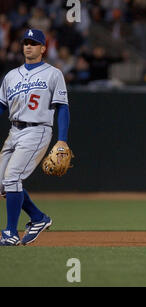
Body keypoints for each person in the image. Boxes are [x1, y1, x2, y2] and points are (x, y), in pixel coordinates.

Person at [0, 29, 71, 246]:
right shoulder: (10, 76)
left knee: (12, 178)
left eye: (33, 43)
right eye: (25, 43)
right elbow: (1, 106)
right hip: (14, 131)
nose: (28, 46)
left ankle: (10, 232)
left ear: (43, 48)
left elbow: (63, 108)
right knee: (3, 185)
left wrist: (62, 139)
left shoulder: (53, 73)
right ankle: (39, 218)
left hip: (37, 130)